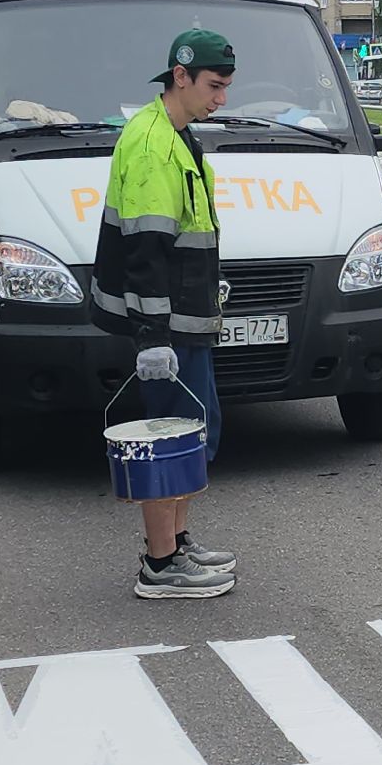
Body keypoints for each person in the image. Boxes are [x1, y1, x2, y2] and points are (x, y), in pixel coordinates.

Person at [90, 30, 239, 599]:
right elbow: (147, 254)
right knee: (171, 438)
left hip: (184, 319)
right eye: (214, 86)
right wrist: (153, 337)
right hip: (169, 328)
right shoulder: (154, 145)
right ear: (181, 76)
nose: (221, 99)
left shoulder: (175, 134)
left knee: (194, 431)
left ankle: (176, 543)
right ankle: (160, 566)